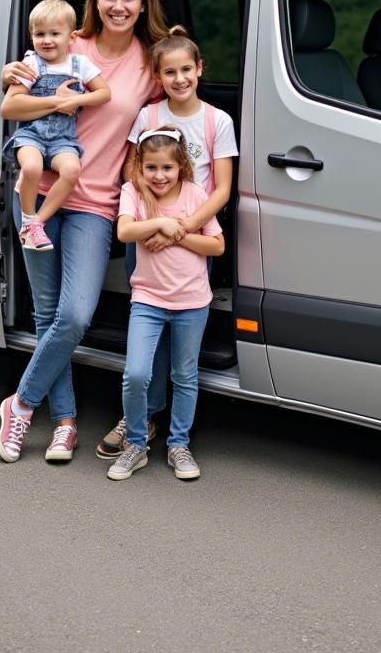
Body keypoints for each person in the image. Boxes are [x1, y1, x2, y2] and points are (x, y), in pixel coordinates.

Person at [0, 0, 168, 463]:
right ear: (94, 1)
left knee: (74, 314)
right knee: (49, 312)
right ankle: (65, 423)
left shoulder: (148, 62)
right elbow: (13, 101)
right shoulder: (67, 44)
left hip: (95, 203)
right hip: (37, 196)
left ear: (142, 5)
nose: (118, 6)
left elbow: (161, 127)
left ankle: (20, 403)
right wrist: (27, 84)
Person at [95, 27, 238, 458]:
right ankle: (143, 416)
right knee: (148, 328)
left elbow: (222, 189)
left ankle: (170, 427)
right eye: (169, 72)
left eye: (186, 70)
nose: (179, 79)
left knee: (181, 323)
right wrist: (156, 222)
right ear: (159, 77)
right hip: (148, 231)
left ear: (200, 70)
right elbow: (130, 174)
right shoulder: (149, 116)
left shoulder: (217, 121)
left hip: (193, 231)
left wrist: (183, 226)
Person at [107, 126, 224, 481]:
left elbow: (216, 246)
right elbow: (125, 232)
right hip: (148, 299)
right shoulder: (133, 192)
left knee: (184, 375)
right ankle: (137, 445)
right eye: (152, 168)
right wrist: (160, 221)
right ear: (140, 167)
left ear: (181, 168)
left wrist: (177, 234)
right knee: (136, 373)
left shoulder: (195, 193)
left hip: (192, 301)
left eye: (167, 168)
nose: (159, 176)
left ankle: (178, 444)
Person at [1, 0, 111, 252]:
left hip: (63, 139)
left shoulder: (79, 65)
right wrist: (57, 101)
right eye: (39, 34)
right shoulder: (30, 64)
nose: (47, 40)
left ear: (71, 37)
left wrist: (78, 98)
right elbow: (8, 107)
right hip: (32, 135)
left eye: (54, 34)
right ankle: (28, 217)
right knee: (31, 167)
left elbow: (104, 94)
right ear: (31, 36)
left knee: (72, 170)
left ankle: (35, 223)